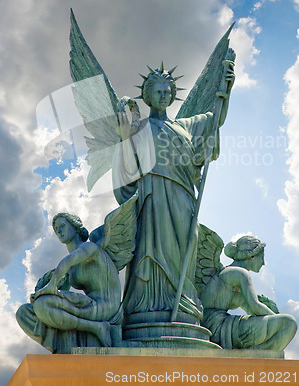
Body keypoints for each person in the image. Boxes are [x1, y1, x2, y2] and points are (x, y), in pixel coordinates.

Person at [112, 65, 234, 323]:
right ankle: (148, 308)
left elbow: (215, 120)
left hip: (183, 198)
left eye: (168, 91)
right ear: (147, 95)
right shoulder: (139, 130)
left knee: (183, 253)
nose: (164, 95)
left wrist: (227, 89)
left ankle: (185, 304)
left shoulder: (186, 126)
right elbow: (128, 173)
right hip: (152, 198)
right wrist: (124, 139)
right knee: (152, 250)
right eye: (158, 91)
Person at [16, 213, 122, 353]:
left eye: (62, 226)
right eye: (56, 229)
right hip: (89, 307)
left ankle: (97, 327)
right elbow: (60, 289)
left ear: (75, 227)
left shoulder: (90, 248)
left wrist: (52, 285)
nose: (59, 231)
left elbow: (67, 262)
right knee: (24, 312)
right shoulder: (71, 268)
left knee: (43, 304)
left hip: (106, 306)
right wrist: (42, 290)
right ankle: (94, 327)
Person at [200, 236, 297, 350]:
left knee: (283, 323)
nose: (263, 263)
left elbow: (251, 309)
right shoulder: (240, 273)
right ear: (251, 256)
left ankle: (252, 356)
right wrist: (277, 318)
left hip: (214, 326)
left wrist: (267, 307)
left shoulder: (226, 274)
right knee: (289, 323)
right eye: (261, 257)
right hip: (219, 328)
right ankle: (255, 357)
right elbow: (255, 306)